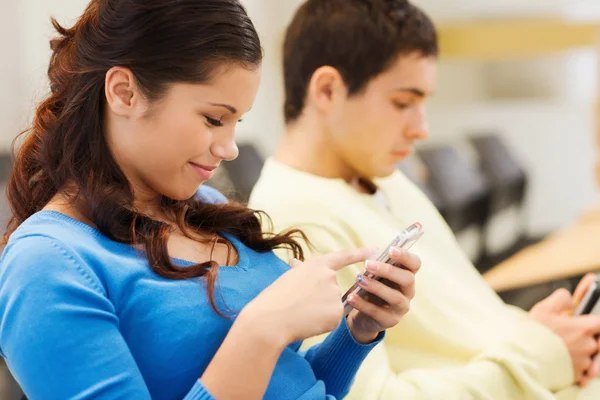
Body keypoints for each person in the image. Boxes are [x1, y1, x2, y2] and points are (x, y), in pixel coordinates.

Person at [0, 1, 423, 399]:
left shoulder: (202, 203)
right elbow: (255, 354)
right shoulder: (46, 264)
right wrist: (262, 329)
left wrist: (355, 332)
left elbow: (287, 383)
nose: (230, 147)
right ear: (125, 92)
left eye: (236, 122)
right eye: (213, 119)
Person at [248, 0, 600, 398]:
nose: (421, 128)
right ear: (327, 90)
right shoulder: (294, 220)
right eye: (403, 103)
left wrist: (551, 335)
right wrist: (540, 357)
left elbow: (469, 321)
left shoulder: (382, 179)